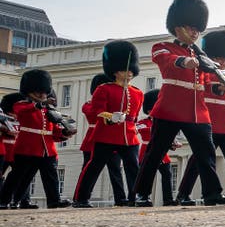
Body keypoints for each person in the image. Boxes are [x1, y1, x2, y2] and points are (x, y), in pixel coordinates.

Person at [131, 0, 225, 206]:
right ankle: (142, 193)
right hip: (170, 109)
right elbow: (165, 60)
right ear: (177, 27)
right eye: (191, 27)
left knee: (206, 154)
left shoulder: (200, 55)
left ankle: (212, 193)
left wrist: (221, 85)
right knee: (155, 153)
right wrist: (183, 61)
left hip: (197, 111)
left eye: (197, 29)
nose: (195, 32)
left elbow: (205, 81)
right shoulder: (163, 46)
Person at [176, 29, 225, 205]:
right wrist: (223, 86)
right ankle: (183, 194)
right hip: (210, 126)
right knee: (199, 162)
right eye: (218, 58)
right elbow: (211, 88)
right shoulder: (205, 75)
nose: (222, 62)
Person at [72, 42, 143, 208]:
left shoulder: (138, 93)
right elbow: (97, 111)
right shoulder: (104, 89)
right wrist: (111, 117)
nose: (130, 72)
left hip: (129, 136)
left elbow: (135, 116)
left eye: (132, 69)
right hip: (107, 135)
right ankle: (81, 198)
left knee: (134, 168)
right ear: (116, 71)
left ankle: (135, 197)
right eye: (126, 69)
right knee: (94, 167)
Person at [0, 69, 74, 208]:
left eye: (44, 92)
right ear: (29, 92)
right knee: (18, 177)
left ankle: (54, 200)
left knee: (51, 176)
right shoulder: (21, 104)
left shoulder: (48, 110)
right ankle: (5, 201)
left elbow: (52, 130)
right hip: (28, 148)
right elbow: (23, 112)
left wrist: (64, 132)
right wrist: (41, 104)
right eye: (38, 92)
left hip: (47, 149)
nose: (42, 95)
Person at [77, 73, 131, 206]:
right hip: (94, 139)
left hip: (113, 138)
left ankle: (121, 199)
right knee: (88, 171)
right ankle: (81, 198)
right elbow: (94, 112)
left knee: (116, 171)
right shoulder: (89, 104)